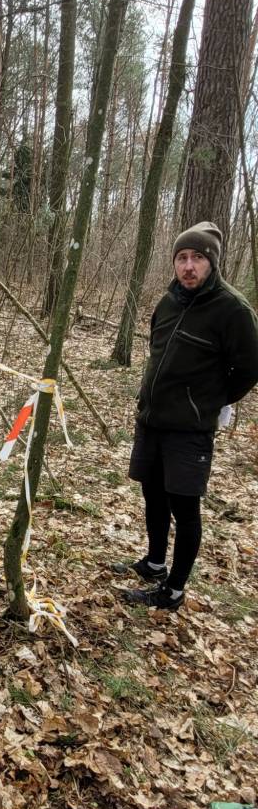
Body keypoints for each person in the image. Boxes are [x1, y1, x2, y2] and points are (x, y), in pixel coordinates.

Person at [115, 221, 258, 610]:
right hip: (152, 421)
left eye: (198, 258)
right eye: (182, 258)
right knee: (153, 495)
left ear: (212, 262)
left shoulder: (233, 310)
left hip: (189, 431)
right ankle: (154, 564)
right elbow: (157, 351)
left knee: (184, 507)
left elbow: (249, 369)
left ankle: (174, 590)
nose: (189, 266)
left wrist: (210, 402)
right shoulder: (168, 301)